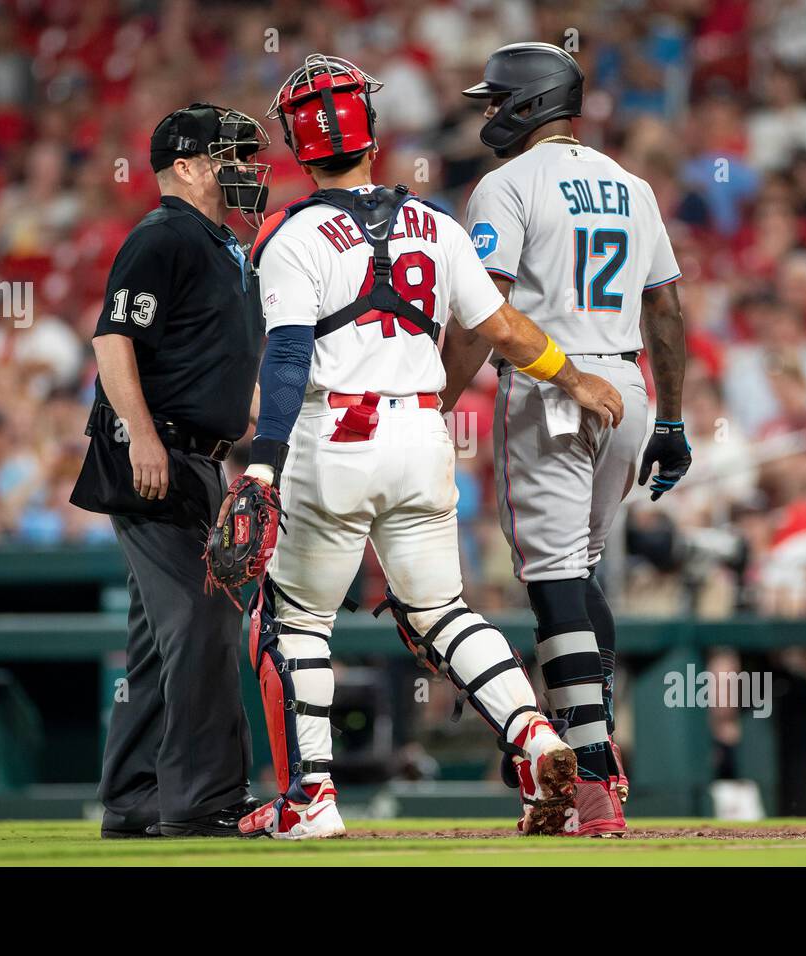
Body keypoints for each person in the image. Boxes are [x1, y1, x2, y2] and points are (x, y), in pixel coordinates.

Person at [234, 54, 623, 840]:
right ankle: (535, 735)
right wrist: (571, 376)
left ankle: (310, 800)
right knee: (440, 611)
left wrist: (261, 463)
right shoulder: (436, 222)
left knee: (291, 622)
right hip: (422, 433)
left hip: (331, 437)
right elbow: (502, 329)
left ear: (299, 147)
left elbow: (284, 358)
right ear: (370, 133)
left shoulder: (290, 232)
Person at [444, 42, 690, 835]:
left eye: (495, 100)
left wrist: (432, 401)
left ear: (528, 103)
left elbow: (489, 316)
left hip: (552, 381)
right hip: (627, 385)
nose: (487, 114)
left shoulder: (506, 184)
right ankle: (594, 749)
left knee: (552, 581)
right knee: (579, 579)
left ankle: (593, 779)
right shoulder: (632, 185)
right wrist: (675, 419)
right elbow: (668, 311)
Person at [69, 103, 270, 838]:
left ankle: (134, 797)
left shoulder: (217, 242)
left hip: (193, 457)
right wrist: (142, 435)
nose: (246, 170)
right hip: (157, 458)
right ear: (186, 166)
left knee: (159, 640)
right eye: (230, 156)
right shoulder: (165, 235)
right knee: (204, 620)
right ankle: (206, 799)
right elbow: (113, 338)